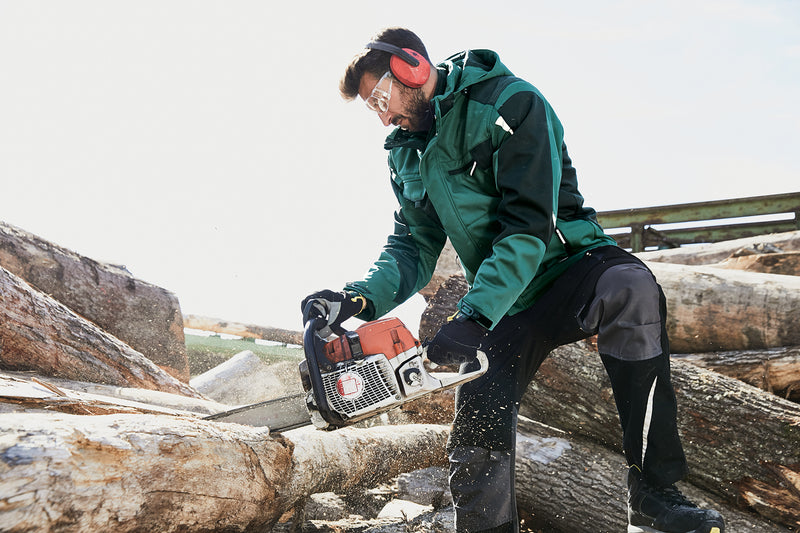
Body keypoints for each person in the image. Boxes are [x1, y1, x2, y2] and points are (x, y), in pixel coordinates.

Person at [301, 27, 725, 533]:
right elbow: (413, 243)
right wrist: (356, 300)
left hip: (571, 265)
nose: (382, 116)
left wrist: (474, 314)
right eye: (371, 109)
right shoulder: (406, 152)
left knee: (631, 289)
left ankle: (654, 494)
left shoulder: (510, 103)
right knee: (478, 421)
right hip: (507, 300)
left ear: (411, 68)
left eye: (379, 99)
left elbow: (528, 226)